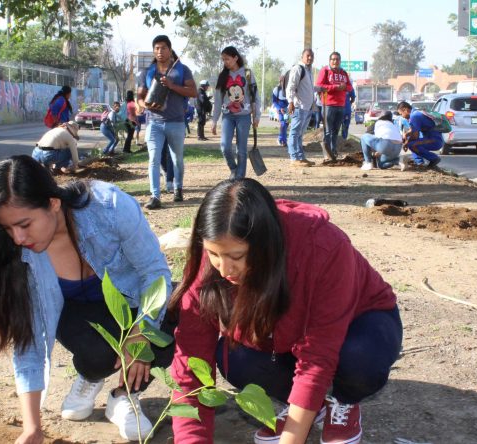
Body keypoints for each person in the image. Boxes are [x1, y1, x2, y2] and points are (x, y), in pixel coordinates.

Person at [0, 155, 175, 443]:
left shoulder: (110, 208)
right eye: (8, 228)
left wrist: (142, 332)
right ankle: (90, 376)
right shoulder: (21, 255)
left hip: (129, 302)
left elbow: (154, 272)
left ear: (53, 203)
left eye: (24, 224)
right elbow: (27, 340)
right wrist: (32, 428)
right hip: (77, 316)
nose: (18, 237)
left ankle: (124, 397)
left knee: (167, 333)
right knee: (99, 352)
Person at [169, 178, 402, 444]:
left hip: (360, 322)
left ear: (265, 245)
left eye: (236, 257)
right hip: (287, 334)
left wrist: (292, 439)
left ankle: (343, 400)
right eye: (213, 254)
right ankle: (308, 405)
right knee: (236, 360)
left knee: (358, 358)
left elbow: (318, 355)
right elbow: (190, 362)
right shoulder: (211, 261)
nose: (224, 270)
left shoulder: (324, 247)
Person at [136, 35, 197, 209]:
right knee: (153, 159)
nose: (159, 51)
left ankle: (178, 188)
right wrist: (144, 105)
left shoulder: (182, 70)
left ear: (170, 50)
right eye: (156, 48)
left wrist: (172, 85)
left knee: (177, 159)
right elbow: (140, 96)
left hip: (176, 122)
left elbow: (193, 92)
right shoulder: (148, 72)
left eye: (163, 48)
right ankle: (155, 196)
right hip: (154, 123)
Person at [211, 46, 260, 180]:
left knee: (241, 150)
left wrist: (257, 115)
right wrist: (214, 120)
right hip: (227, 116)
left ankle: (239, 177)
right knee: (225, 146)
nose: (225, 62)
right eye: (223, 59)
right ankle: (234, 169)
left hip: (244, 116)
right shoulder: (222, 76)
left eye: (227, 59)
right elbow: (218, 100)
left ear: (236, 58)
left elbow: (255, 96)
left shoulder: (248, 73)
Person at [315, 52, 353, 161]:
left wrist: (344, 87)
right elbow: (320, 86)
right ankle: (327, 154)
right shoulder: (325, 71)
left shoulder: (343, 73)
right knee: (327, 130)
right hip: (328, 105)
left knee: (336, 130)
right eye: (333, 59)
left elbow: (350, 88)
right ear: (329, 60)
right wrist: (335, 87)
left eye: (337, 59)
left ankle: (333, 151)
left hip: (341, 105)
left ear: (340, 61)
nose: (335, 61)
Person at [285, 48, 317, 167]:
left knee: (299, 134)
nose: (310, 58)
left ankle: (301, 157)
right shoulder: (298, 68)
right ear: (302, 57)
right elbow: (291, 87)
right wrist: (290, 102)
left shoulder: (308, 71)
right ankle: (294, 158)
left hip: (307, 108)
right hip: (298, 106)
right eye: (308, 55)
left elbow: (309, 88)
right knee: (294, 133)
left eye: (312, 56)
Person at [398, 101, 443, 169]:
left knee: (412, 144)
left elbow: (415, 136)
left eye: (401, 114)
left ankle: (433, 159)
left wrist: (406, 143)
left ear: (405, 110)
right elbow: (413, 129)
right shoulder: (416, 112)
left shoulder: (414, 116)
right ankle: (419, 162)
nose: (402, 116)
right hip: (435, 139)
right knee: (412, 143)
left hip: (434, 141)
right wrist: (406, 135)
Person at [272, 75, 289, 147]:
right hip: (280, 110)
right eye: (283, 81)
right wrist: (279, 108)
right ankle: (283, 141)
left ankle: (280, 138)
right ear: (280, 81)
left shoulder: (289, 88)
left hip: (288, 110)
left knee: (286, 124)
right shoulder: (276, 89)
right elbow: (274, 101)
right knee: (283, 124)